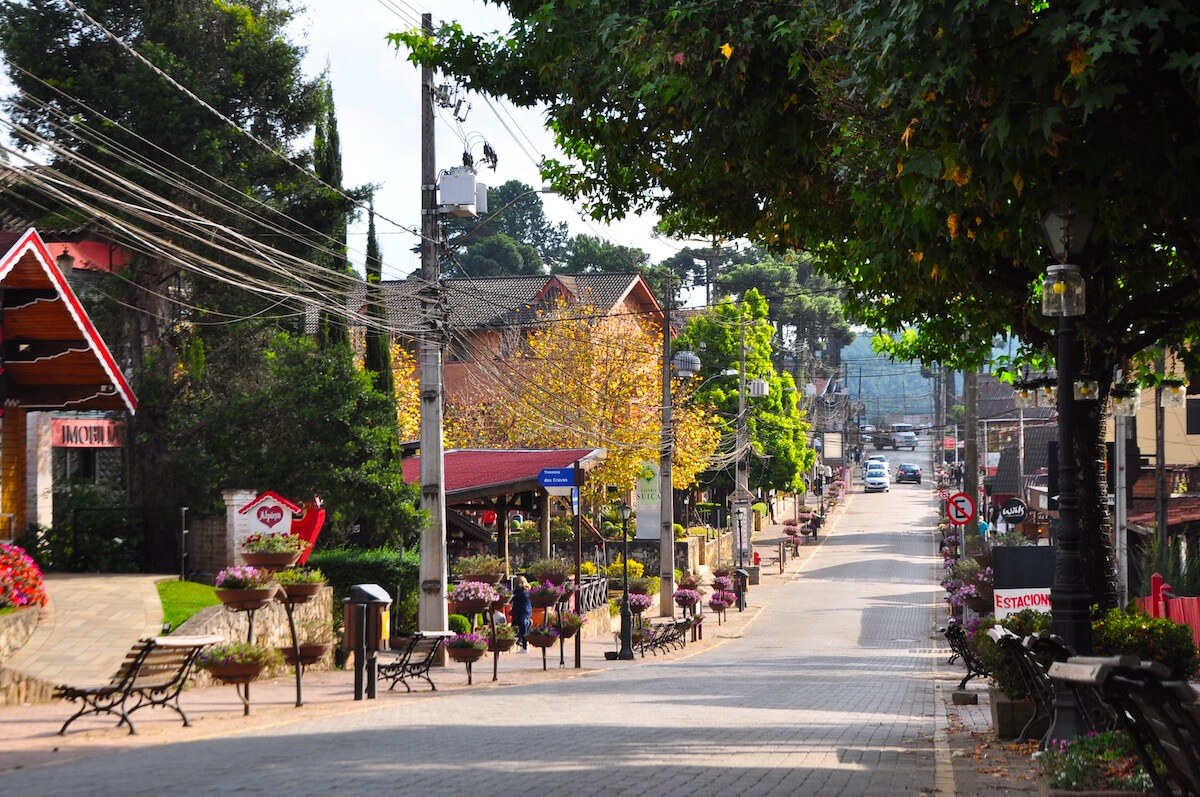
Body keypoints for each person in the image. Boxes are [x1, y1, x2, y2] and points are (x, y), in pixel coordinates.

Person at [511, 576, 532, 652]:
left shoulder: (518, 591)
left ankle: (524, 646)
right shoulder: (527, 590)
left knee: (522, 628)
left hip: (521, 610)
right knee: (523, 627)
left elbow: (514, 601)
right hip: (528, 610)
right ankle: (524, 644)